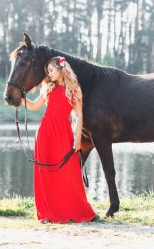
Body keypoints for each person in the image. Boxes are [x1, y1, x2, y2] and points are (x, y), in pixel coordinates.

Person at [22, 56, 98, 224]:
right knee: (46, 173)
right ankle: (48, 213)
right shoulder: (48, 88)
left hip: (64, 133)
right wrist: (21, 99)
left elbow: (78, 115)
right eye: (48, 71)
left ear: (61, 69)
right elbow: (34, 106)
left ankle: (77, 210)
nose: (49, 73)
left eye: (51, 70)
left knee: (69, 172)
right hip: (45, 133)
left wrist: (78, 138)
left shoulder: (74, 89)